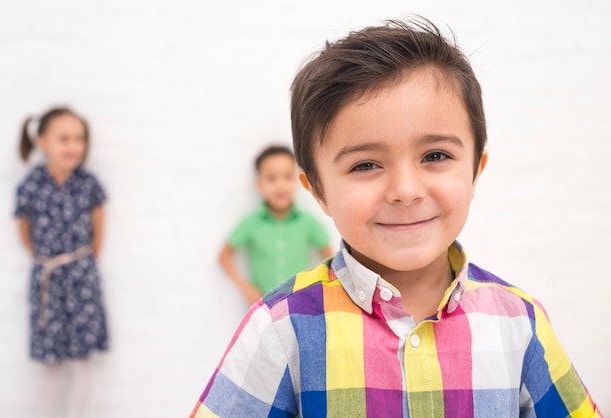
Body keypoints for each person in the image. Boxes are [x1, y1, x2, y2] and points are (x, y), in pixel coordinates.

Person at [191, 17, 601, 417]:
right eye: (366, 165)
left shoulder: (520, 322)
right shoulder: (280, 328)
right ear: (318, 190)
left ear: (475, 170)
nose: (406, 191)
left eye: (435, 156)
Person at [14, 107, 109, 418]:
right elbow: (25, 232)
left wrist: (79, 263)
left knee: (83, 362)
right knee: (51, 364)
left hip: (82, 278)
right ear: (42, 141)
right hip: (47, 280)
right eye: (64, 138)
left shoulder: (89, 184)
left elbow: (98, 231)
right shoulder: (30, 185)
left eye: (79, 138)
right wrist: (50, 262)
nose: (73, 146)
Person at [219, 144, 333, 304]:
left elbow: (330, 258)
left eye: (287, 177)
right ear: (259, 184)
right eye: (271, 178)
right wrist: (247, 289)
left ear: (297, 180)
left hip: (299, 303)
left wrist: (316, 288)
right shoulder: (251, 223)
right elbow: (224, 256)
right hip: (263, 306)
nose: (280, 185)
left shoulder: (308, 222)